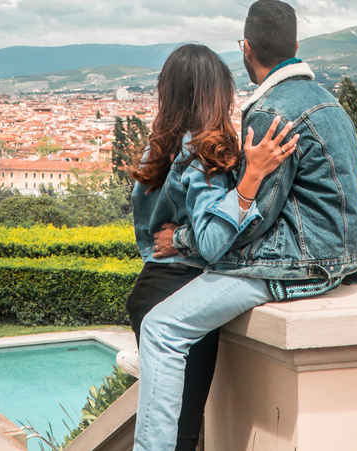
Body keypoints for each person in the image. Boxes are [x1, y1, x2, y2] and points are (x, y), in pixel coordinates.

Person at [134, 0, 357, 451]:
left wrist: (180, 238)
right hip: (341, 259)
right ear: (296, 46)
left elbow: (247, 225)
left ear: (246, 49)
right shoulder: (328, 102)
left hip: (294, 263)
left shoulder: (270, 112)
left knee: (162, 329)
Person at [122, 42, 299, 451]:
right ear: (214, 94)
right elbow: (213, 242)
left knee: (167, 419)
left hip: (151, 286)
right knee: (182, 434)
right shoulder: (202, 155)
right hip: (181, 289)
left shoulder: (160, 147)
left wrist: (174, 242)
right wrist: (250, 178)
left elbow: (150, 233)